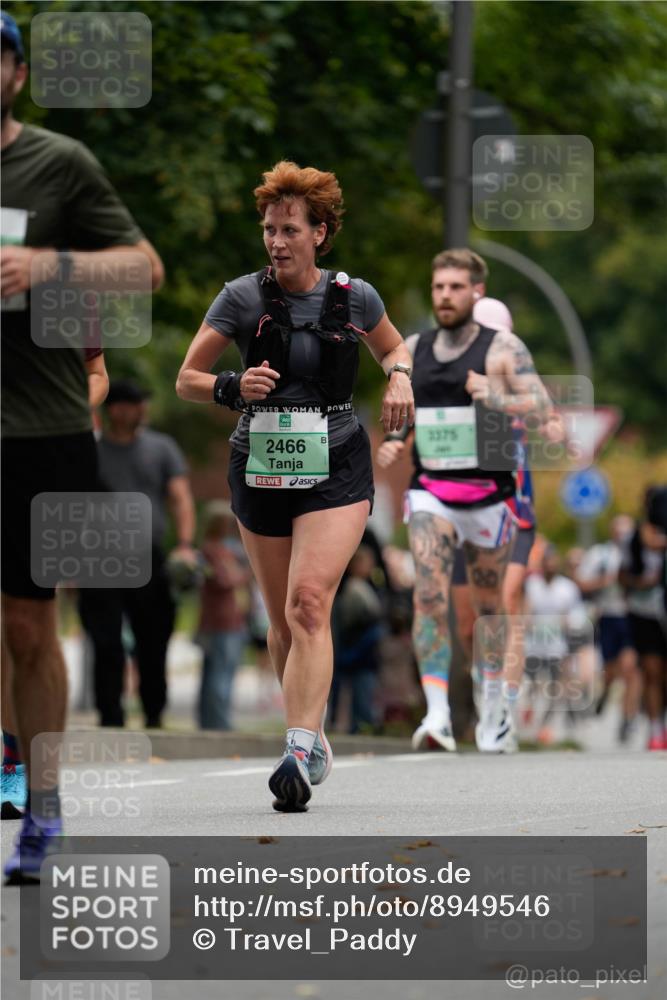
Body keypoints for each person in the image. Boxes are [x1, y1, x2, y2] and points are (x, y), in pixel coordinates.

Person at [176, 160, 414, 811]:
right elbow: (186, 378)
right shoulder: (241, 297)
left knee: (309, 603)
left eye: (288, 229)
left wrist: (398, 376)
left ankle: (298, 747)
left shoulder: (354, 297)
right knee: (283, 616)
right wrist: (230, 386)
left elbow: (395, 348)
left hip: (335, 461)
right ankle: (309, 735)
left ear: (320, 232)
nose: (276, 241)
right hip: (260, 460)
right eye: (268, 229)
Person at [1, 12, 164, 882]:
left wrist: (48, 270)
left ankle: (43, 805)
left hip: (41, 430)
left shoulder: (58, 164)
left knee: (29, 624)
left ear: (18, 74)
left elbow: (145, 268)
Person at [377, 249, 556, 754]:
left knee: (487, 611)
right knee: (429, 595)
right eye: (438, 288)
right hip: (431, 490)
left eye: (456, 287)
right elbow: (404, 407)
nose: (445, 296)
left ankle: (494, 702)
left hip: (490, 497)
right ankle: (437, 718)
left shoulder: (503, 349)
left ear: (477, 291)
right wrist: (398, 435)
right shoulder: (413, 347)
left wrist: (493, 395)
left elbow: (541, 408)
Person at [77, 380, 195, 730]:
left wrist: (186, 544)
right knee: (106, 641)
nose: (141, 409)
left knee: (153, 640)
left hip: (148, 558)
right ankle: (110, 716)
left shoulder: (161, 448)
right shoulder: (91, 451)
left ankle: (154, 713)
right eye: (133, 403)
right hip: (99, 559)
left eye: (142, 402)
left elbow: (180, 496)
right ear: (113, 409)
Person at [449, 297, 538, 751]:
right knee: (468, 624)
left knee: (502, 603)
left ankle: (505, 708)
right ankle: (489, 694)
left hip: (514, 516)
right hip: (463, 516)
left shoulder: (510, 383)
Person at [576, 516, 641, 743]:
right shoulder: (600, 554)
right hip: (608, 617)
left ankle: (628, 718)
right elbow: (582, 582)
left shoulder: (637, 552)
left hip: (633, 616)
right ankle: (604, 693)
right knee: (612, 670)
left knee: (631, 668)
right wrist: (605, 581)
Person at [524, 545, 590, 743]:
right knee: (532, 685)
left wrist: (569, 627)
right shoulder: (531, 584)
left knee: (556, 686)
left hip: (557, 647)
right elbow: (524, 609)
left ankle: (545, 726)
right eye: (547, 562)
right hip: (533, 646)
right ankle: (528, 712)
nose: (550, 566)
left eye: (553, 562)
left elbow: (576, 616)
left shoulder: (567, 587)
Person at [196, 501, 251, 731]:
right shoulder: (211, 551)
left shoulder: (221, 550)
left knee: (217, 673)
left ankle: (211, 722)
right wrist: (248, 573)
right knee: (220, 675)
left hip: (230, 620)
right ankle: (219, 724)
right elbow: (224, 580)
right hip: (221, 622)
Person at [619, 490, 667, 750]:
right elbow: (622, 575)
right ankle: (656, 730)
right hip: (644, 611)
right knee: (652, 670)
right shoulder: (634, 539)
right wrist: (639, 583)